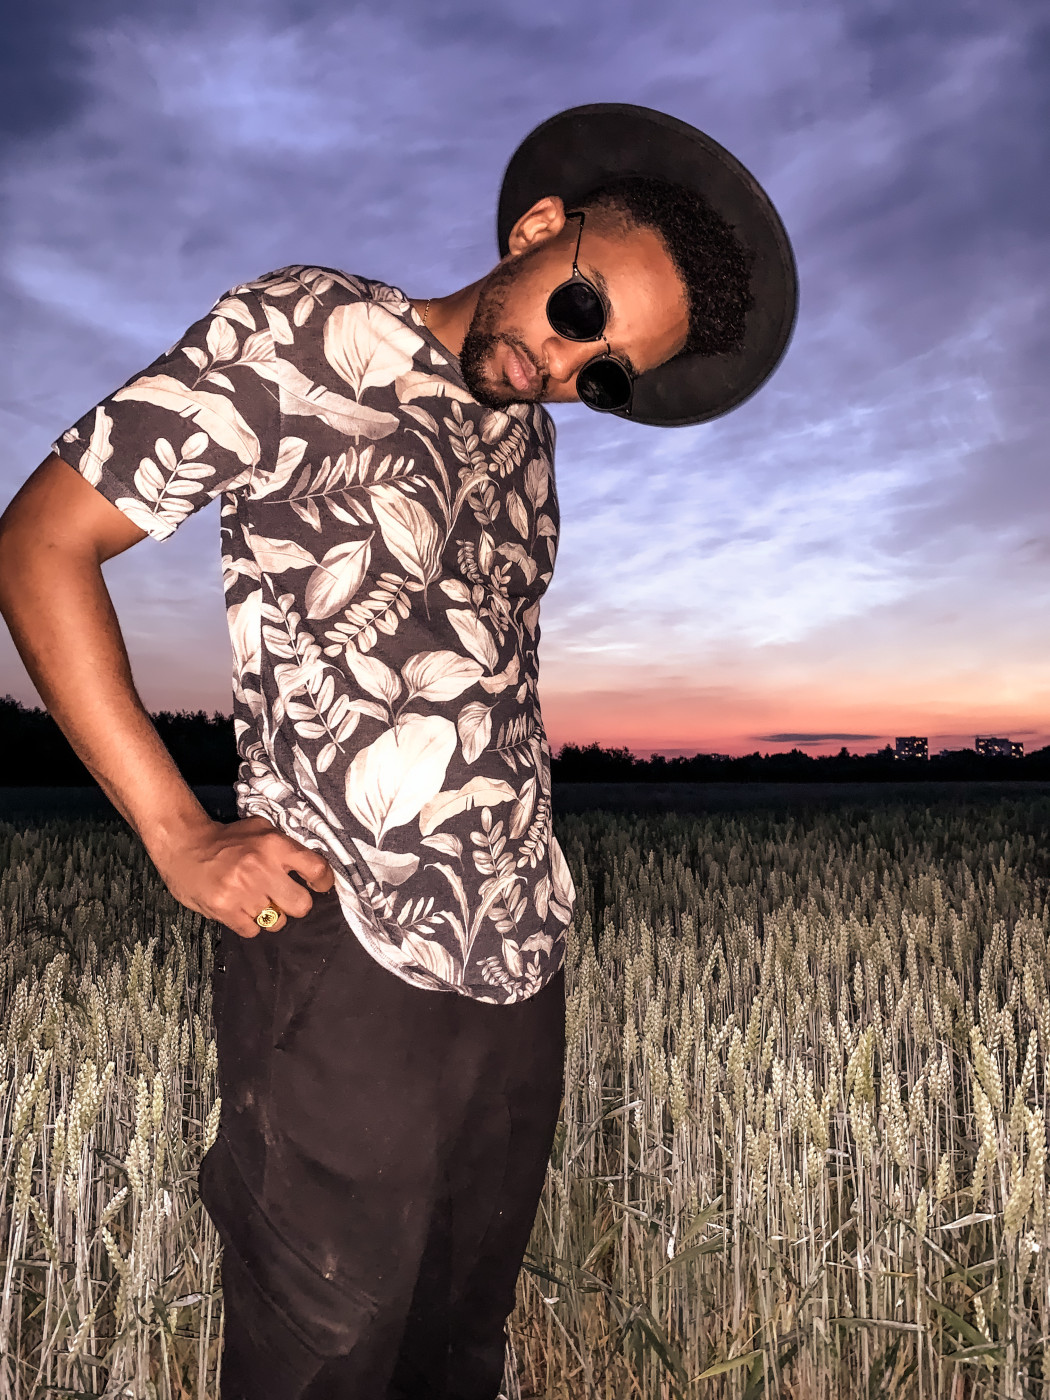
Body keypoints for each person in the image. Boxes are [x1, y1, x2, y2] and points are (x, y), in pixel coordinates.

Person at [0, 105, 796, 1399]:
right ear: (538, 229)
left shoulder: (527, 450)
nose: (561, 365)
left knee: (458, 1342)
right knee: (325, 1350)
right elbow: (40, 542)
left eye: (604, 373)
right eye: (580, 311)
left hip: (519, 954)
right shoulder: (303, 331)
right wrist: (176, 830)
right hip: (345, 941)